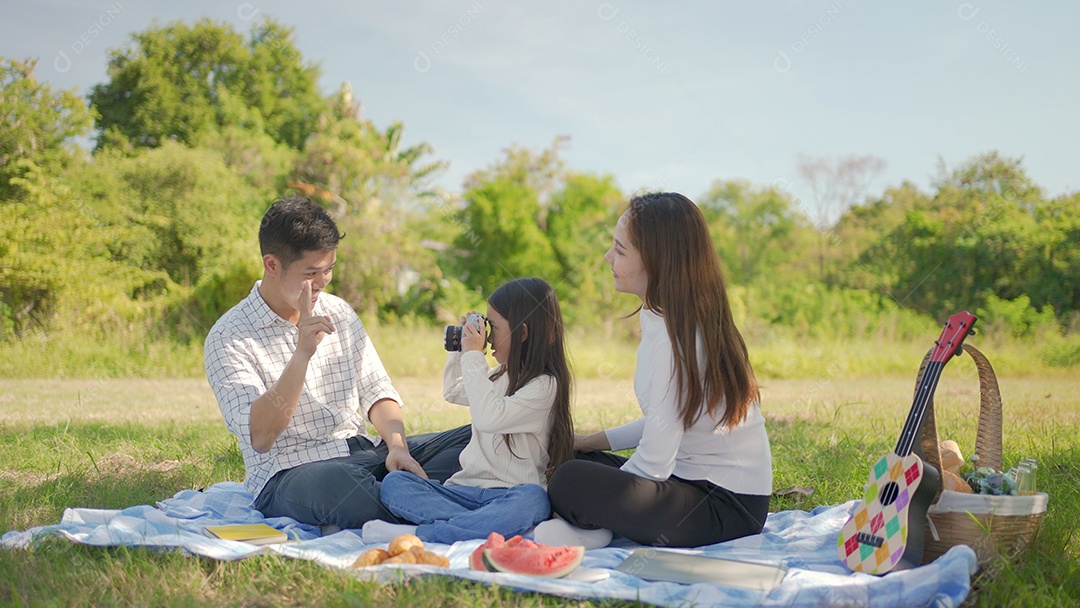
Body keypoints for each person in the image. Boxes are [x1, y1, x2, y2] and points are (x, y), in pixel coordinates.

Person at [204, 195, 470, 531]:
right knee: (341, 487)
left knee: (484, 438)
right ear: (272, 265)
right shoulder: (229, 335)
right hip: (290, 473)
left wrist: (398, 448)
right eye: (311, 272)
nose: (323, 281)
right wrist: (302, 353)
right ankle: (452, 503)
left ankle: (407, 496)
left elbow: (376, 391)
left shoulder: (339, 311)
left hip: (366, 455)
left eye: (329, 269)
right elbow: (261, 436)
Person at [539, 191, 773, 549]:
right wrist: (588, 443)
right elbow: (668, 422)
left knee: (569, 480)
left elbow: (653, 464)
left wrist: (592, 501)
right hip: (687, 482)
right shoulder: (665, 319)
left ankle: (592, 527)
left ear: (656, 260)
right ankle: (592, 518)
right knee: (571, 458)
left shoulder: (677, 338)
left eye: (620, 249)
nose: (607, 257)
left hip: (726, 506)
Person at [363, 277, 574, 545]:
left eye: (493, 327)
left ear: (522, 333)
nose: (487, 335)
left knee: (534, 501)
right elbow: (453, 391)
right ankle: (492, 526)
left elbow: (489, 417)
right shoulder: (498, 375)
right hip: (463, 491)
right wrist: (461, 350)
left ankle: (423, 533)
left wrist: (474, 355)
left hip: (511, 494)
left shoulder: (545, 386)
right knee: (396, 485)